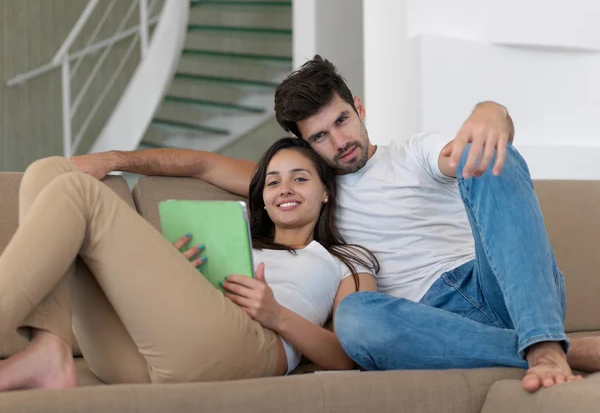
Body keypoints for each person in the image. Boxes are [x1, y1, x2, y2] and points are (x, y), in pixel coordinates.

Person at [72, 55, 600, 393]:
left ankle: (543, 342)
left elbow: (472, 143)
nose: (339, 140)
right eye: (320, 136)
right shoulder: (309, 189)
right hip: (426, 324)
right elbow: (203, 164)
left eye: (342, 120)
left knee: (489, 157)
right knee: (356, 320)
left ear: (359, 108)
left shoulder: (411, 154)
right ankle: (559, 348)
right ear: (306, 145)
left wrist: (491, 110)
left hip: (498, 282)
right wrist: (111, 160)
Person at [0, 137, 378, 391]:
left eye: (300, 179)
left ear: (326, 192)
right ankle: (50, 349)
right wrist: (174, 271)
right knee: (46, 171)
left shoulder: (346, 259)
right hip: (151, 352)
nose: (285, 190)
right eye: (274, 182)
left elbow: (348, 357)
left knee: (76, 191)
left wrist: (274, 314)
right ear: (262, 197)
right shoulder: (236, 237)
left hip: (250, 347)